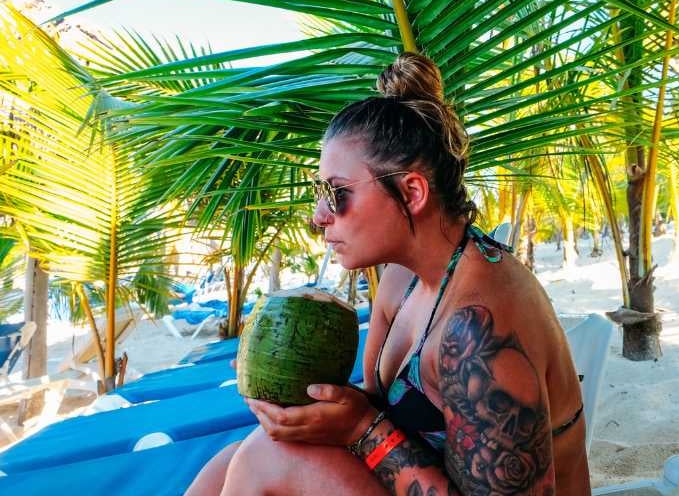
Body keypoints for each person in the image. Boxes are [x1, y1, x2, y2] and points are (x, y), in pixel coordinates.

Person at [187, 53, 589, 495]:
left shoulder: (480, 323)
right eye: (320, 193)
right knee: (236, 458)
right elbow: (384, 406)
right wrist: (291, 387)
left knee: (267, 460)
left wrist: (360, 426)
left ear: (412, 191)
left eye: (337, 193)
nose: (319, 216)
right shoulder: (403, 278)